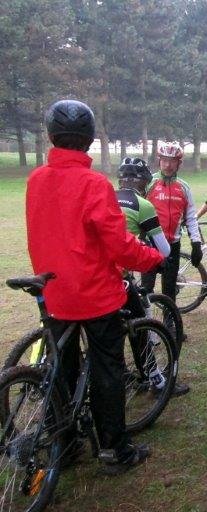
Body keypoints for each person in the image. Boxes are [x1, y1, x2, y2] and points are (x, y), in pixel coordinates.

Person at [26, 99, 163, 474]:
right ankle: (115, 450)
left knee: (63, 368)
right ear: (87, 141)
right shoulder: (93, 184)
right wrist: (152, 258)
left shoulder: (36, 180)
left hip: (53, 292)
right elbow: (119, 245)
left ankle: (64, 446)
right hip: (95, 294)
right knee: (107, 371)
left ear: (52, 136)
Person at [115, 157, 190, 397]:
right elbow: (164, 250)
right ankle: (156, 381)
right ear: (145, 182)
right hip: (118, 275)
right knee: (139, 327)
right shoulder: (142, 205)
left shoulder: (105, 197)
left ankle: (120, 374)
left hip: (88, 271)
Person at [141, 142, 203, 303]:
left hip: (172, 245)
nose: (168, 165)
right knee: (146, 288)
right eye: (164, 160)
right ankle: (145, 325)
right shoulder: (149, 183)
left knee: (169, 290)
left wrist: (196, 244)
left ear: (179, 163)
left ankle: (171, 325)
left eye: (173, 161)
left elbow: (190, 217)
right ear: (159, 161)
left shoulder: (184, 187)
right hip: (150, 245)